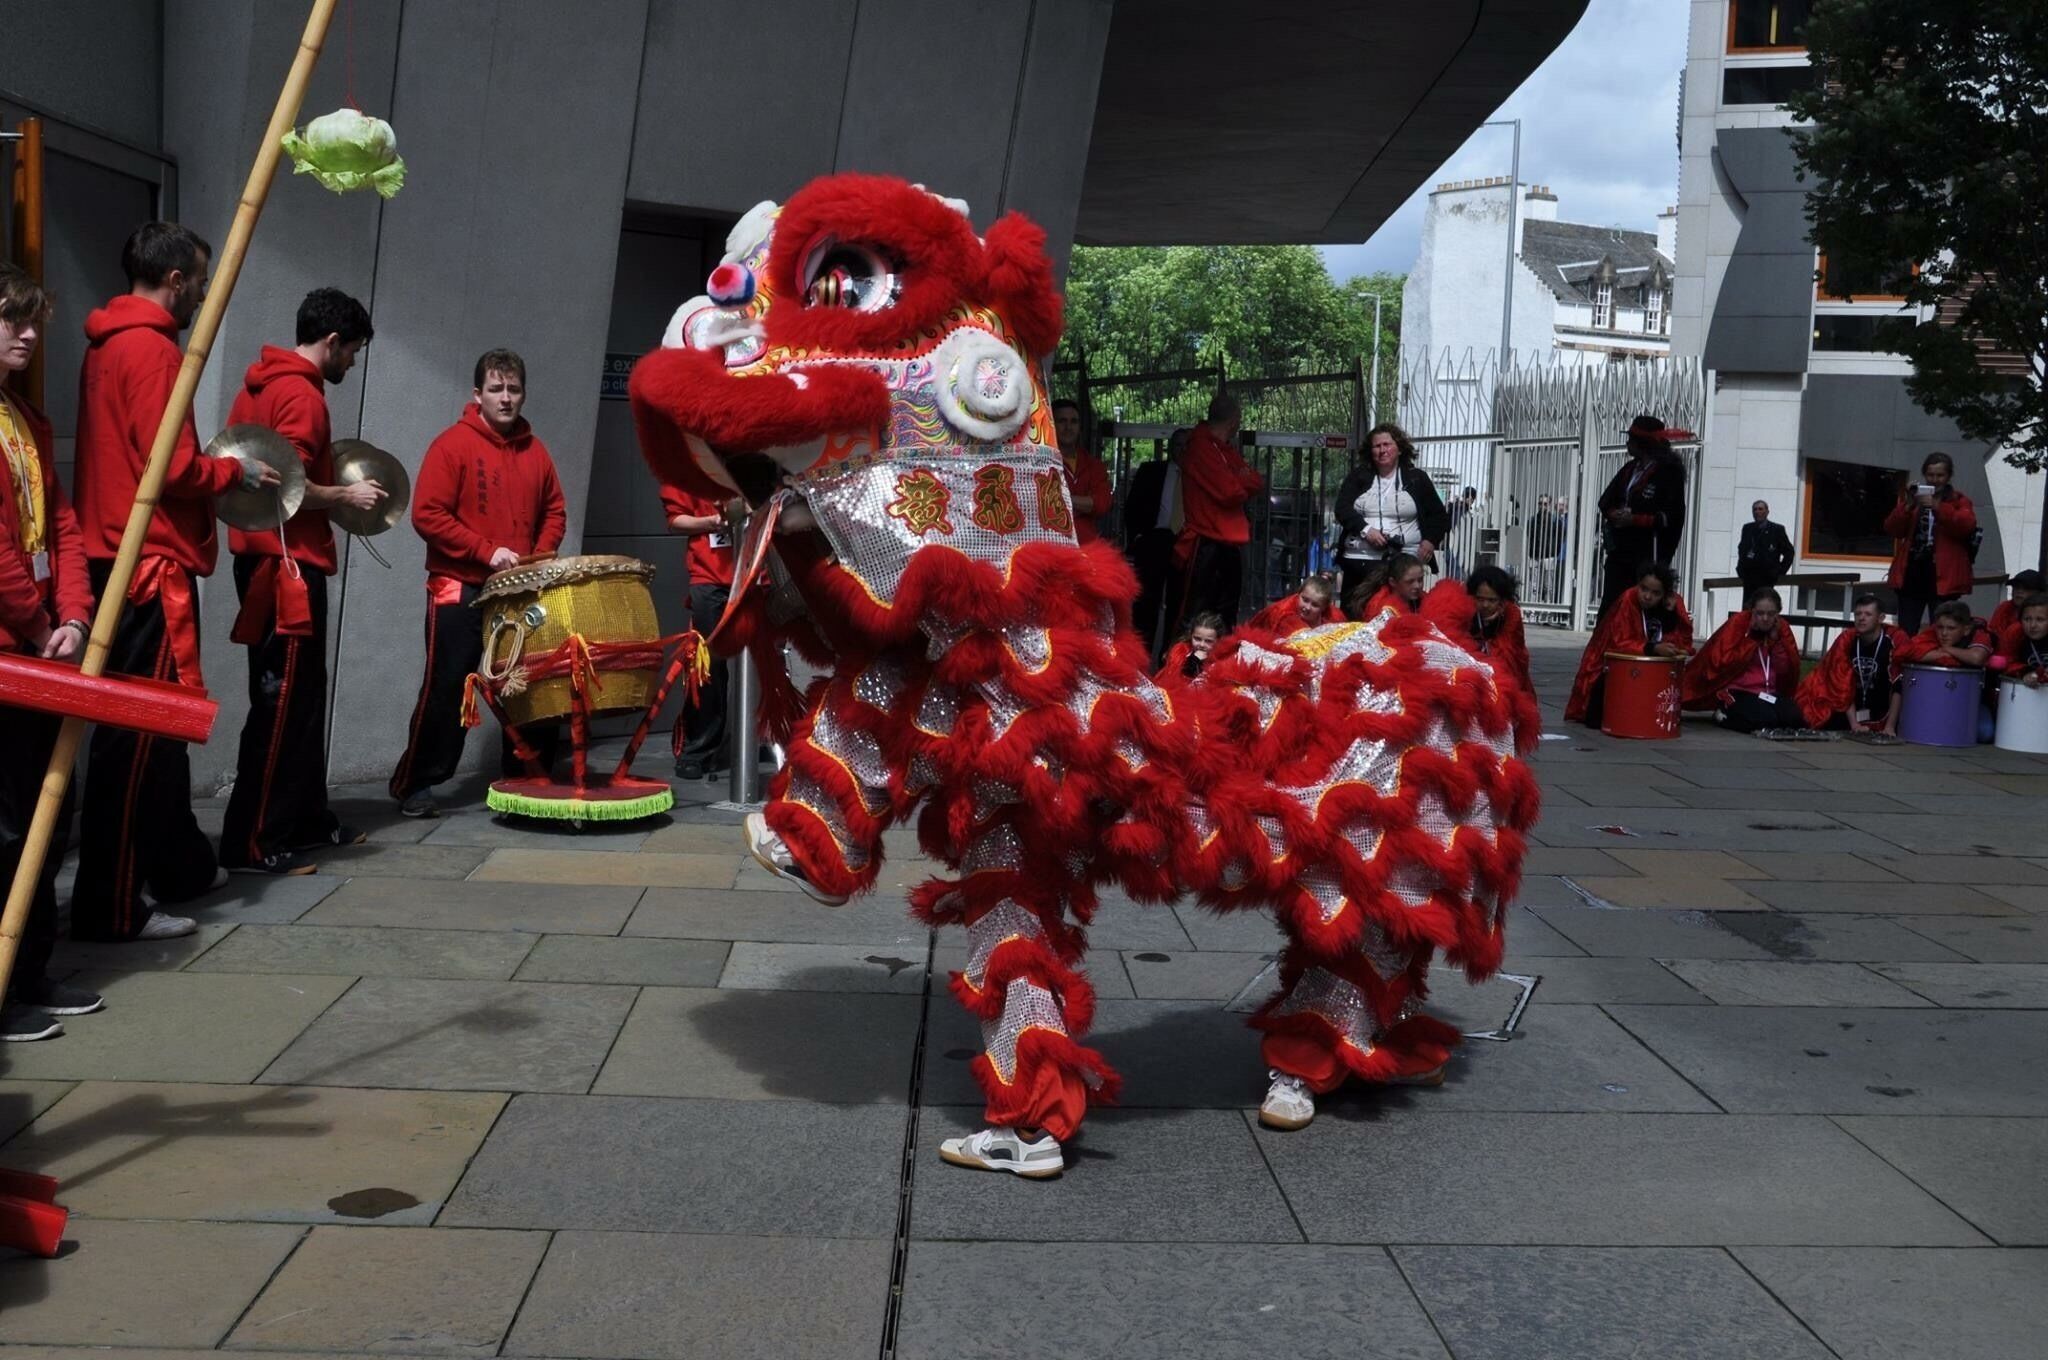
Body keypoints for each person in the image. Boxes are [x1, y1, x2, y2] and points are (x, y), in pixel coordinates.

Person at [72, 223, 278, 943]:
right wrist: (235, 473)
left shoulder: (105, 344)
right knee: (140, 738)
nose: (198, 294)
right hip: (148, 564)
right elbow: (176, 466)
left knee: (151, 738)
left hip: (116, 557)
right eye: (197, 279)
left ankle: (180, 864)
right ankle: (111, 902)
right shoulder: (153, 349)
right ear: (178, 282)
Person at [218, 289, 382, 875]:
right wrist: (346, 494)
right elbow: (282, 485)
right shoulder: (302, 395)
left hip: (264, 559)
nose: (352, 365)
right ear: (333, 342)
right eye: (353, 352)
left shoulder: (256, 384)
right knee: (282, 702)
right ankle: (251, 840)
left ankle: (305, 819)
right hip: (287, 566)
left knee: (301, 697)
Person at [388, 350, 566, 817]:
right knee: (448, 686)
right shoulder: (451, 445)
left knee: (531, 684)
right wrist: (486, 551)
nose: (506, 399)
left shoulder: (537, 450)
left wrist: (538, 557)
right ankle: (416, 783)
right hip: (460, 586)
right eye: (496, 389)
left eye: (513, 390)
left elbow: (555, 511)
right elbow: (427, 514)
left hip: (521, 590)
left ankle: (528, 778)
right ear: (477, 395)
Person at [0, 264, 105, 1038]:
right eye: (12, 318)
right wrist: (40, 625)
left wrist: (73, 611)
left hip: (39, 645)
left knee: (45, 809)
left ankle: (27, 970)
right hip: (12, 651)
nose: (29, 333)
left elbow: (61, 526)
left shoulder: (26, 419)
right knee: (7, 825)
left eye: (33, 319)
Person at [661, 481, 739, 780]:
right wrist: (712, 521)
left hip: (756, 571)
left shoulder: (754, 457)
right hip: (709, 574)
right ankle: (699, 747)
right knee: (708, 666)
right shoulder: (689, 465)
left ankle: (764, 739)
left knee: (767, 662)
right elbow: (674, 520)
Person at [1331, 422, 1448, 608]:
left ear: (1400, 448)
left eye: (1387, 444)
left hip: (1404, 561)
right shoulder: (1358, 477)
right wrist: (1366, 530)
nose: (1382, 450)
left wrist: (1430, 541)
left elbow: (1439, 517)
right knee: (1357, 615)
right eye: (1377, 446)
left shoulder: (1417, 478)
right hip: (1360, 561)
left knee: (1400, 615)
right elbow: (1342, 509)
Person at [1565, 562, 1694, 727]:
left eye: (1655, 593)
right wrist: (1652, 648)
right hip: (1615, 665)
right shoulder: (1628, 599)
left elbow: (1683, 639)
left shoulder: (1674, 602)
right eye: (1644, 589)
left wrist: (1669, 615)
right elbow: (1619, 641)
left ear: (1665, 594)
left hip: (1654, 669)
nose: (1647, 596)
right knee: (1597, 718)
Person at [1174, 393, 1263, 628]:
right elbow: (1231, 491)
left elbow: (1253, 482)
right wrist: (1238, 479)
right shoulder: (1202, 446)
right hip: (1206, 541)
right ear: (1235, 421)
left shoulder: (1221, 449)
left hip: (1223, 542)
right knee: (1198, 613)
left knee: (1225, 611)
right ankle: (1186, 662)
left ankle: (1215, 661)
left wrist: (1236, 481)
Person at [1596, 414, 1690, 613]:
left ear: (1644, 443)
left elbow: (1671, 516)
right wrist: (1615, 515)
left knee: (1640, 607)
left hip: (1647, 554)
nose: (1628, 443)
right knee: (1612, 605)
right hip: (1620, 552)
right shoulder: (1630, 469)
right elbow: (1605, 501)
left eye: (1631, 439)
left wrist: (1636, 520)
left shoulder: (1668, 473)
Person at [1683, 587, 1804, 732]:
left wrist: (1775, 642)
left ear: (1777, 614)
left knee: (1794, 718)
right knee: (1765, 720)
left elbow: (1786, 670)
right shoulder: (1739, 624)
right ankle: (1723, 715)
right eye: (1760, 613)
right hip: (1739, 691)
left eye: (1771, 614)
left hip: (1767, 693)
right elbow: (1724, 662)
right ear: (1752, 611)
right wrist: (1752, 639)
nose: (1765, 619)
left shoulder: (1781, 629)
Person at [1884, 452, 1977, 636]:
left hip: (1944, 577)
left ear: (1948, 476)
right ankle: (1904, 662)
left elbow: (1965, 525)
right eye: (1931, 475)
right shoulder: (1915, 499)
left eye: (1940, 475)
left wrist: (1937, 506)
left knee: (1943, 631)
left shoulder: (1959, 500)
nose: (1935, 480)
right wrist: (1908, 505)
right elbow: (1892, 529)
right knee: (1906, 631)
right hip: (1912, 573)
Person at [1797, 593, 1908, 733]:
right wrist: (1854, 725)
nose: (1861, 618)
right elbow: (1842, 685)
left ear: (1881, 618)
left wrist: (1890, 727)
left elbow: (1898, 687)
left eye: (1868, 614)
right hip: (1852, 708)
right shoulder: (1847, 641)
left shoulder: (1893, 642)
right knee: (1815, 719)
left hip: (1883, 710)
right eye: (1858, 614)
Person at [1123, 428, 1187, 665]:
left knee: (1177, 604)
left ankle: (1168, 662)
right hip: (1154, 541)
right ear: (1171, 448)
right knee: (1146, 604)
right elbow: (1132, 506)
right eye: (1179, 445)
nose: (1183, 450)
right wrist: (1138, 537)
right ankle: (1139, 660)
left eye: (1187, 446)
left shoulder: (1197, 476)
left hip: (1184, 544)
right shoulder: (1152, 471)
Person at [1422, 566, 1531, 696]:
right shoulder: (1466, 611)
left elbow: (1508, 655)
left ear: (1502, 600)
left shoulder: (1511, 615)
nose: (1485, 605)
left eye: (1492, 600)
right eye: (1480, 599)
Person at [1901, 600, 1995, 741]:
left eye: (1951, 629)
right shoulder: (1932, 632)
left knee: (1985, 732)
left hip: (1972, 701)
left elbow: (1976, 657)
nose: (1944, 633)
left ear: (1966, 629)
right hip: (1933, 697)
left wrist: (1947, 650)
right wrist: (1952, 656)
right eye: (1940, 627)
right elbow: (1909, 650)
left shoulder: (1980, 634)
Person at [1052, 399, 1112, 545]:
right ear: (1051, 425)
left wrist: (1064, 498)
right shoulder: (1040, 463)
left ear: (1080, 428)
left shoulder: (1094, 465)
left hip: (1087, 546)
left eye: (1074, 422)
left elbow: (1102, 504)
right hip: (1050, 544)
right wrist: (1085, 503)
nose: (1068, 427)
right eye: (1062, 421)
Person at [1736, 499, 1795, 605]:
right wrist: (1740, 569)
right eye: (1755, 509)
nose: (1757, 512)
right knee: (1748, 609)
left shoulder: (1777, 529)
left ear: (1767, 512)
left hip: (1767, 579)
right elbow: (1742, 549)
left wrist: (1780, 572)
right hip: (1749, 578)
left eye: (1760, 509)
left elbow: (1789, 552)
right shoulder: (1747, 528)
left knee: (1763, 607)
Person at [1248, 573, 1342, 637]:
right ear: (1298, 594)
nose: (1307, 607)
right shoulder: (1282, 614)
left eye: (1315, 605)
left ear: (1324, 607)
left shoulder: (1335, 619)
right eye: (1305, 600)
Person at [1154, 612, 1222, 690]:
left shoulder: (1220, 661)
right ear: (1191, 635)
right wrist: (1193, 662)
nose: (1202, 645)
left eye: (1208, 641)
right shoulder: (1179, 654)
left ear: (1218, 640)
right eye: (1197, 639)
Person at [1352, 552, 1426, 619]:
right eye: (1410, 581)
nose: (1417, 586)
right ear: (1392, 582)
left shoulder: (1424, 601)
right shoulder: (1382, 609)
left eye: (1420, 580)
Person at [1998, 593, 2048, 684]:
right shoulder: (2015, 633)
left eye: (2040, 619)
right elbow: (2006, 661)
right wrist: (2024, 672)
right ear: (2020, 620)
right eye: (2027, 619)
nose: (2032, 625)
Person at [1989, 570, 2044, 639]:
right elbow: (1993, 634)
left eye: (2026, 588)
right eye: (2016, 587)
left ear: (2038, 593)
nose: (2019, 591)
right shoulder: (2005, 607)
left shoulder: (2044, 612)